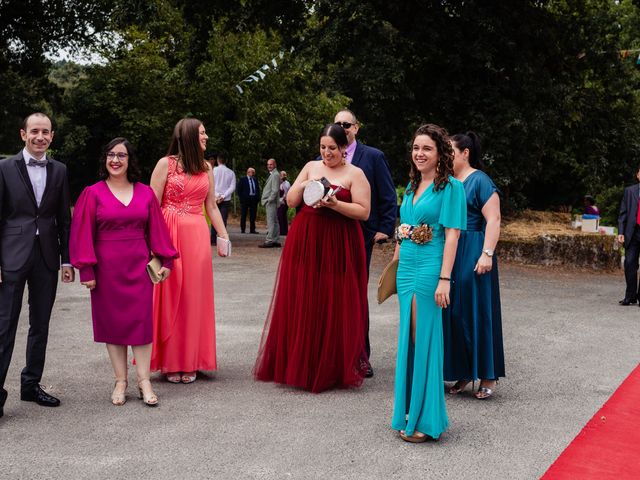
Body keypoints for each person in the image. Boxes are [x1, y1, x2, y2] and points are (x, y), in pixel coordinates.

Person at [254, 124, 371, 393]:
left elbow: (364, 212)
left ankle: (331, 366)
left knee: (333, 299)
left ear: (344, 148)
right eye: (323, 147)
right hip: (306, 238)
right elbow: (292, 200)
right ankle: (300, 362)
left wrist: (336, 204)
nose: (327, 153)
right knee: (304, 297)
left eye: (332, 148)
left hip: (339, 240)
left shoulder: (355, 173)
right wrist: (307, 182)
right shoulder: (310, 166)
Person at [70, 138, 178, 406]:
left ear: (130, 160)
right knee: (113, 326)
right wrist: (86, 271)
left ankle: (144, 381)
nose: (115, 160)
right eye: (110, 155)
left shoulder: (145, 193)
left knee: (141, 325)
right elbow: (82, 233)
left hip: (138, 268)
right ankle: (120, 381)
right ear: (104, 159)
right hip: (106, 271)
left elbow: (157, 231)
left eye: (121, 155)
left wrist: (166, 262)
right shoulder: (92, 193)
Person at [390, 124, 466, 443]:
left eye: (427, 149)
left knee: (425, 340)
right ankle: (408, 411)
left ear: (440, 154)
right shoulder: (411, 186)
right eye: (416, 148)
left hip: (430, 269)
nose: (419, 154)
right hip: (406, 268)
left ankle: (426, 418)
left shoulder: (450, 188)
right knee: (409, 338)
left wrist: (444, 279)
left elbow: (452, 235)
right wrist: (394, 265)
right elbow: (404, 228)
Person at [0, 112, 74, 418]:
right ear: (23, 134)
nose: (40, 136)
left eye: (45, 132)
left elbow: (63, 220)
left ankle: (31, 386)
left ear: (52, 136)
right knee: (4, 326)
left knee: (40, 325)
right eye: (34, 131)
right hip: (11, 257)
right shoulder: (4, 168)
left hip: (46, 257)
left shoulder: (59, 171)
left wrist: (66, 259)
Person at [149, 117, 229, 384]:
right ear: (188, 137)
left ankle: (192, 360)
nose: (206, 137)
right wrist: (152, 245)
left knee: (194, 297)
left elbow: (212, 206)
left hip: (196, 234)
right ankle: (171, 362)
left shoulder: (206, 168)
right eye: (202, 133)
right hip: (169, 232)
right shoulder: (166, 164)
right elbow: (151, 205)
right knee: (171, 295)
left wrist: (223, 235)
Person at [333, 109, 397, 377]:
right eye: (337, 124)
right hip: (331, 235)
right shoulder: (323, 157)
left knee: (356, 294)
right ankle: (334, 353)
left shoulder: (372, 157)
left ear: (356, 127)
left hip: (362, 234)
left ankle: (360, 356)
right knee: (332, 294)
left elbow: (388, 194)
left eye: (346, 124)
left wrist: (384, 228)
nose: (342, 128)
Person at [442, 131, 505, 400]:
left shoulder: (480, 180)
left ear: (465, 153)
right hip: (452, 249)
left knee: (477, 312)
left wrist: (487, 253)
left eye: (451, 152)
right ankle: (465, 370)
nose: (447, 157)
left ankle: (488, 374)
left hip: (474, 249)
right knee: (455, 313)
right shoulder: (449, 182)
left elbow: (494, 218)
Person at [617, 166, 640, 306]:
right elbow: (623, 213)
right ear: (637, 175)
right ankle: (630, 296)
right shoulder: (629, 191)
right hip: (632, 232)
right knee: (630, 264)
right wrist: (620, 232)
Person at [211, 152, 236, 245]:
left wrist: (217, 195)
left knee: (214, 217)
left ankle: (213, 238)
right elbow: (232, 187)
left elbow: (210, 184)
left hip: (215, 198)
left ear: (218, 160)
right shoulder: (231, 172)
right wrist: (223, 196)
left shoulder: (213, 170)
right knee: (223, 219)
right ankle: (222, 238)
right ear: (226, 161)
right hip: (225, 199)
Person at [259, 158, 281, 248]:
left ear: (275, 165)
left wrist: (269, 200)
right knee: (275, 221)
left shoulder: (275, 174)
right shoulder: (274, 174)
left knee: (271, 222)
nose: (269, 166)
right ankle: (275, 240)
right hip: (272, 202)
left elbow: (275, 190)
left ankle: (269, 240)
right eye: (268, 164)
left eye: (271, 164)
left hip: (271, 202)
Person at [237, 167, 260, 234]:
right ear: (248, 172)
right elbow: (239, 190)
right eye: (252, 172)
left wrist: (257, 198)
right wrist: (241, 198)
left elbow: (257, 189)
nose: (253, 174)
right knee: (244, 214)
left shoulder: (255, 180)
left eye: (253, 172)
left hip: (253, 199)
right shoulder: (243, 179)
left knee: (253, 215)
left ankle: (252, 229)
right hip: (245, 200)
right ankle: (243, 229)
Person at [277, 170, 291, 236]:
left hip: (285, 201)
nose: (284, 176)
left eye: (284, 175)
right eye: (282, 175)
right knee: (280, 216)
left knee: (283, 215)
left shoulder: (287, 183)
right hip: (279, 201)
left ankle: (284, 231)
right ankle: (281, 230)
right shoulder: (278, 183)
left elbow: (288, 191)